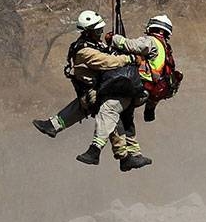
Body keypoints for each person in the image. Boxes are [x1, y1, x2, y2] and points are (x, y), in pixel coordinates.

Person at [32, 10, 154, 171]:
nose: (100, 33)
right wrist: (129, 58)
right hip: (95, 91)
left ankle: (53, 125)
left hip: (98, 89)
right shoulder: (84, 51)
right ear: (88, 32)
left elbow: (108, 54)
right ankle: (107, 152)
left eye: (100, 30)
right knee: (110, 110)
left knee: (109, 112)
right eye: (97, 31)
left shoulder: (94, 45)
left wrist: (117, 42)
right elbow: (107, 62)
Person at [107, 14, 182, 124]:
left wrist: (114, 39)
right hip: (149, 92)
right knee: (127, 120)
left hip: (139, 86)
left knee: (108, 110)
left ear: (159, 30)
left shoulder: (151, 41)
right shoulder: (165, 48)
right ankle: (148, 111)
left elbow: (131, 45)